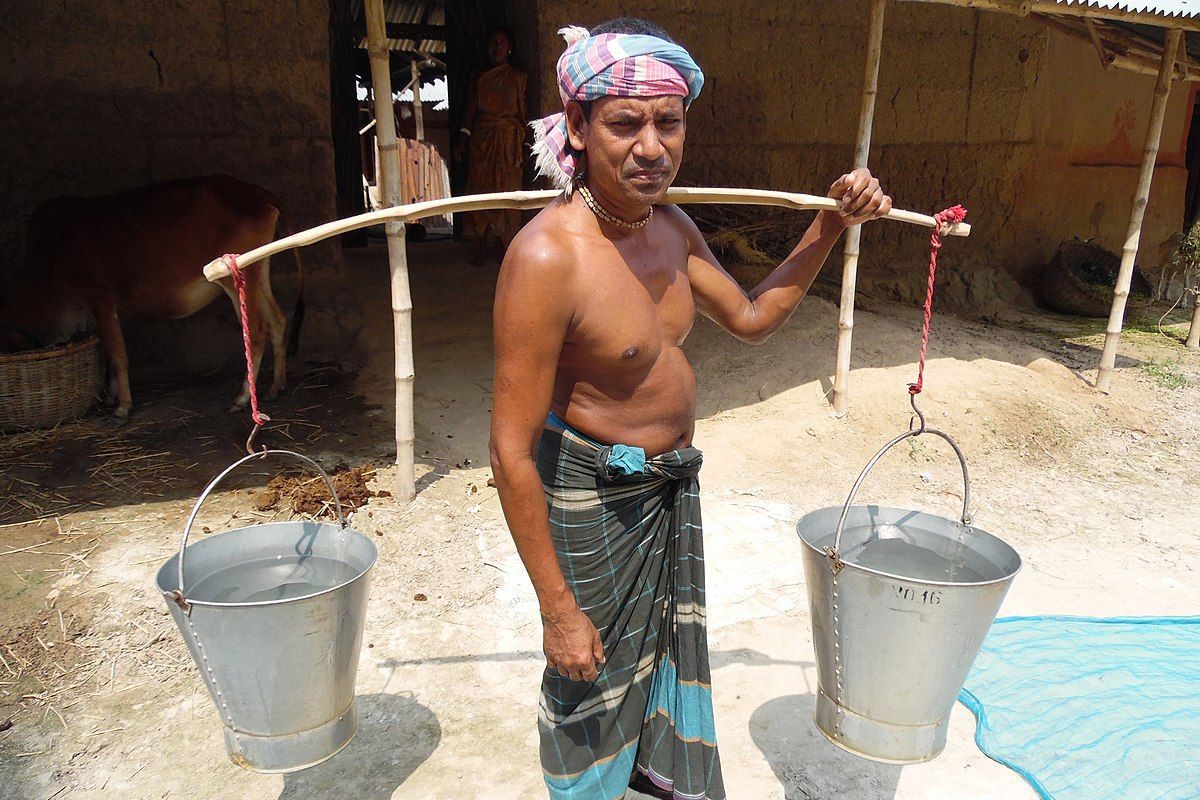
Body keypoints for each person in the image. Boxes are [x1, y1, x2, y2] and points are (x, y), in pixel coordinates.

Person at [488, 17, 892, 800]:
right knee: (587, 675)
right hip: (593, 496)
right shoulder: (547, 259)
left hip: (666, 486)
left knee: (653, 660)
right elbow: (508, 454)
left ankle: (641, 779)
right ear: (577, 125)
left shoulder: (670, 228)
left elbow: (749, 319)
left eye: (668, 123)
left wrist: (830, 226)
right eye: (625, 124)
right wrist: (555, 609)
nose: (651, 148)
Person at [457, 25, 528, 255]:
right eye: (494, 43)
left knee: (508, 189)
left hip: (509, 142)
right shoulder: (479, 78)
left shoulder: (519, 78)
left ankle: (505, 244)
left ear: (510, 49)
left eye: (502, 42)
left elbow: (525, 114)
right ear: (489, 49)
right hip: (482, 140)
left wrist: (527, 145)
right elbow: (470, 109)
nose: (498, 46)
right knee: (481, 190)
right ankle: (480, 241)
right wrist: (462, 140)